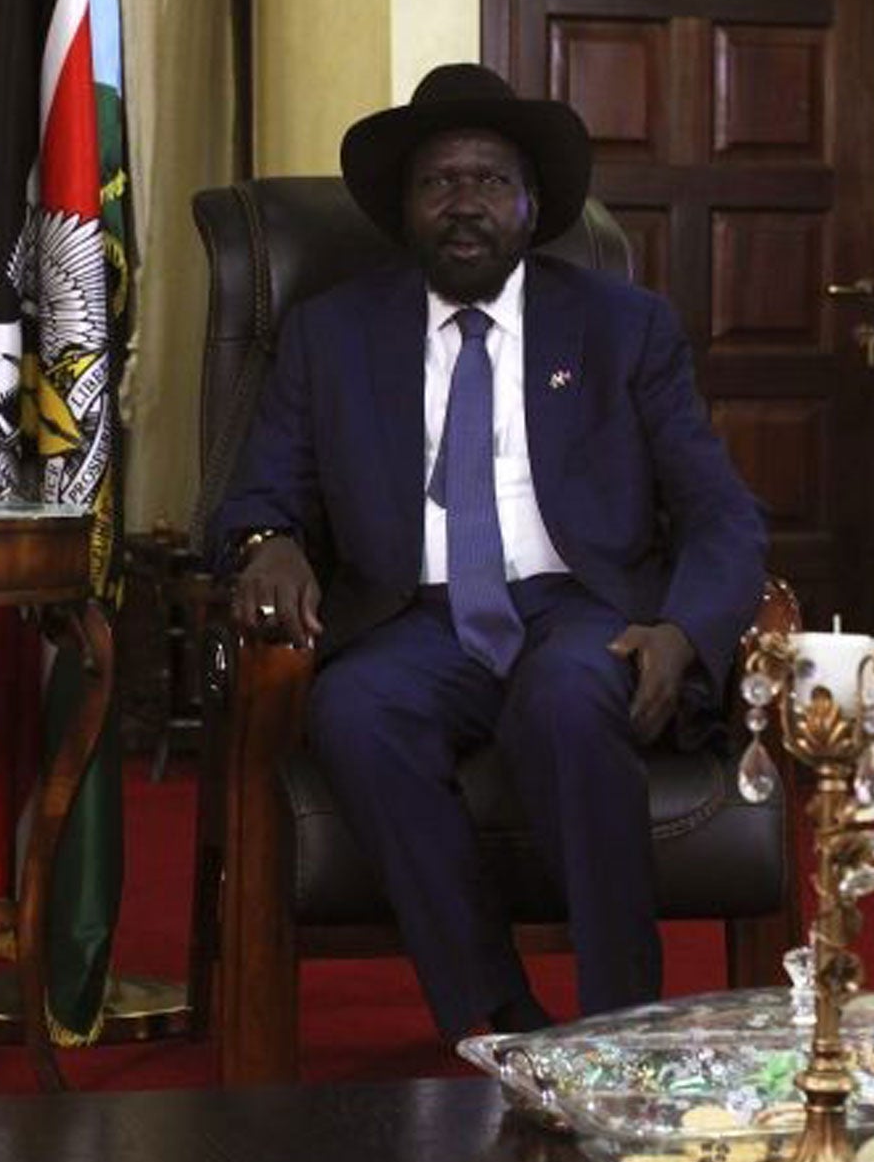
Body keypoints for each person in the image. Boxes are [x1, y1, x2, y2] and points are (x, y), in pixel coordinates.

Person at [209, 62, 765, 1040]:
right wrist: (267, 543)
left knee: (569, 691)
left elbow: (720, 512)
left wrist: (682, 630)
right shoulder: (327, 334)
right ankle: (501, 1030)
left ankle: (622, 1031)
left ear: (531, 205)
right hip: (408, 618)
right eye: (437, 182)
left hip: (577, 607)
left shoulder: (620, 327)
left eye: (487, 181)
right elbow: (258, 494)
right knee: (354, 707)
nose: (462, 204)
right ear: (402, 209)